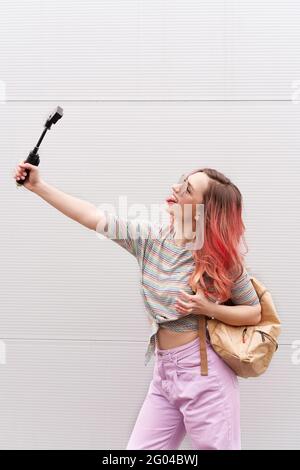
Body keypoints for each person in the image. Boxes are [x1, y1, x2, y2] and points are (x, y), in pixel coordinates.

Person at [13, 162, 261, 450]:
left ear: (204, 210)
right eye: (181, 181)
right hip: (165, 373)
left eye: (187, 189)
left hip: (205, 377)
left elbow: (253, 311)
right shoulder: (151, 240)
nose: (175, 188)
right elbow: (94, 216)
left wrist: (209, 309)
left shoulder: (218, 260)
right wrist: (38, 186)